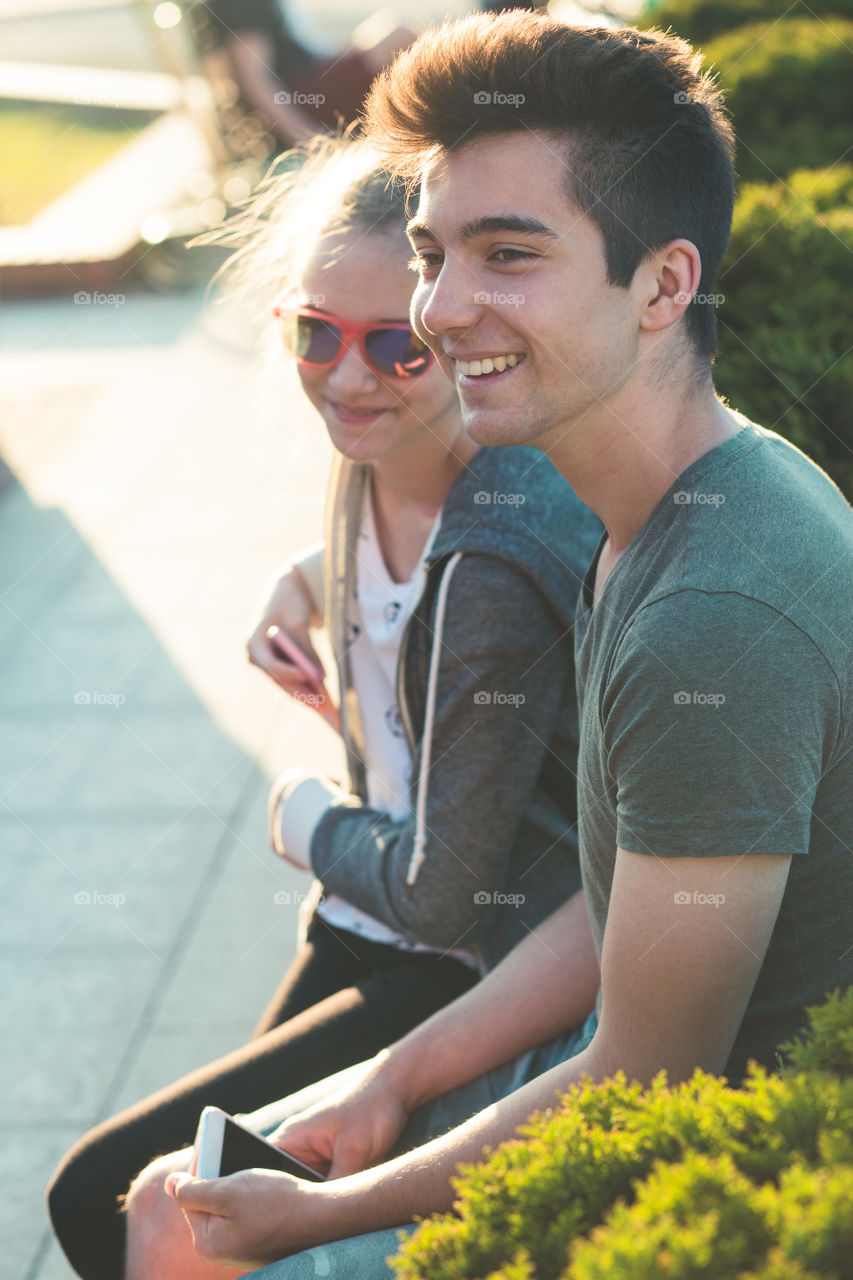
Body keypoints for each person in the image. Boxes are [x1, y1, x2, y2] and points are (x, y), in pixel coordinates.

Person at [119, 10, 853, 1280]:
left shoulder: (712, 617)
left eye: (508, 254)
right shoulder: (665, 501)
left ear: (664, 284)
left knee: (196, 1238)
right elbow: (615, 905)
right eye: (431, 252)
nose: (444, 309)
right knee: (161, 1202)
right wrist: (396, 1077)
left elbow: (648, 1076)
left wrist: (317, 1219)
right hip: (615, 1063)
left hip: (707, 1161)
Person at [46, 132, 602, 1280]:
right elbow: (407, 572)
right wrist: (310, 575)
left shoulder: (494, 547)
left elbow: (447, 885)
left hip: (465, 959)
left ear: (456, 333)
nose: (346, 377)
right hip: (368, 930)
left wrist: (297, 814)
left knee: (108, 1199)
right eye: (315, 334)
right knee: (173, 1199)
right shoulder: (368, 468)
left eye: (396, 346)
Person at [197, 0, 414, 146]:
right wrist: (307, 139)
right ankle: (427, 128)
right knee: (401, 35)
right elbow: (254, 80)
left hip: (311, 74)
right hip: (302, 95)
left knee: (391, 27)